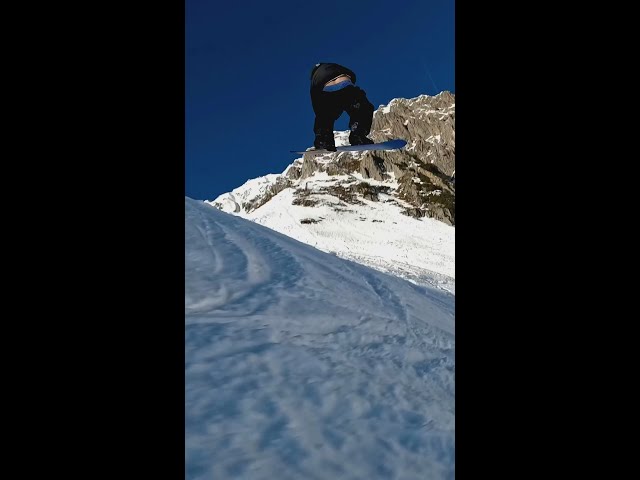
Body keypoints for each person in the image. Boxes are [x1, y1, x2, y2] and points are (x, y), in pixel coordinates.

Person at [309, 62, 375, 151]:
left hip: (326, 90)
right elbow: (352, 75)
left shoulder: (315, 77)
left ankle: (323, 141)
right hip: (345, 84)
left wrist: (320, 115)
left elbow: (315, 97)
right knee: (362, 109)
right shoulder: (332, 66)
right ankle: (358, 135)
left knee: (325, 116)